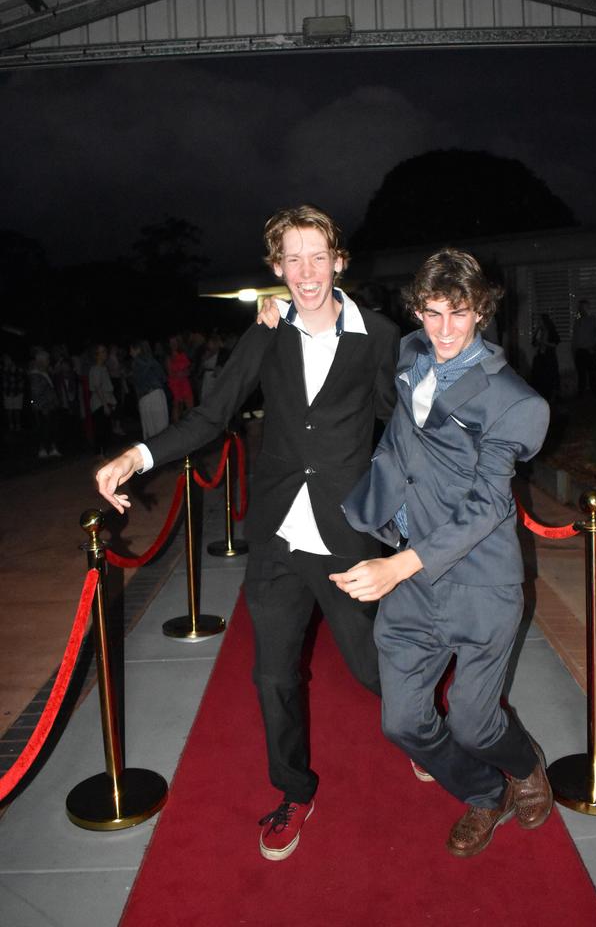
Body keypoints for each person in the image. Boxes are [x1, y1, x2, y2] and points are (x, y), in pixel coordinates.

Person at [96, 205, 400, 861]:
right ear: (276, 268)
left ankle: (428, 732)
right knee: (272, 676)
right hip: (277, 535)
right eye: (293, 258)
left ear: (339, 260)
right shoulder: (266, 333)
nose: (307, 271)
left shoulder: (378, 335)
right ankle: (294, 788)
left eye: (318, 256)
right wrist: (139, 455)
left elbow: (397, 425)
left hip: (345, 534)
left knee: (372, 666)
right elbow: (210, 416)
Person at [330, 247, 553, 859]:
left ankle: (523, 763)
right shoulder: (410, 353)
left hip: (481, 583)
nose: (444, 330)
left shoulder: (515, 401)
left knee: (473, 722)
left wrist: (398, 563)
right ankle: (485, 794)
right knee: (401, 722)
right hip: (413, 583)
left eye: (458, 314)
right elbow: (397, 413)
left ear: (481, 310)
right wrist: (285, 310)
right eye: (432, 313)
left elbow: (487, 506)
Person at [129, 339, 169, 439]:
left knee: (151, 432)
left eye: (131, 350)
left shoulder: (136, 362)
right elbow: (163, 377)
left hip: (146, 398)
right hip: (158, 394)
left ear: (137, 349)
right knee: (162, 429)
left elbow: (138, 383)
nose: (130, 353)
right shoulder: (153, 360)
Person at [28, 348, 62, 458]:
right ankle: (43, 449)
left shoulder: (45, 373)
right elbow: (36, 392)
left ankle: (52, 448)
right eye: (47, 359)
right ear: (41, 361)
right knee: (43, 429)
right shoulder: (36, 375)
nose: (48, 362)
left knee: (51, 428)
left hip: (49, 406)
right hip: (43, 407)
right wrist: (44, 405)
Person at [571, 299, 596, 395]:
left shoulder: (594, 319)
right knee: (581, 373)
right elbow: (575, 336)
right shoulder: (577, 320)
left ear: (588, 308)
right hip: (580, 351)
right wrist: (574, 349)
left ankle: (595, 392)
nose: (581, 309)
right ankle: (581, 392)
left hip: (590, 350)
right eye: (580, 307)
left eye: (583, 307)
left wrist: (594, 346)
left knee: (592, 372)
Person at [88, 344, 116, 457]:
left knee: (105, 429)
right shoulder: (95, 369)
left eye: (105, 351)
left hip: (104, 401)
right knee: (101, 429)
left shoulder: (103, 368)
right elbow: (97, 387)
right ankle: (99, 453)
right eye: (102, 352)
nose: (105, 354)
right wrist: (104, 404)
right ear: (97, 355)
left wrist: (111, 402)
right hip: (99, 403)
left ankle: (102, 453)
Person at [531, 312, 560, 403]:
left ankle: (551, 397)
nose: (539, 322)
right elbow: (534, 343)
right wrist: (536, 332)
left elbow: (555, 343)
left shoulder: (551, 330)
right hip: (541, 356)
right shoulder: (540, 331)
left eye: (540, 320)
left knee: (550, 377)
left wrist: (544, 343)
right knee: (540, 377)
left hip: (549, 357)